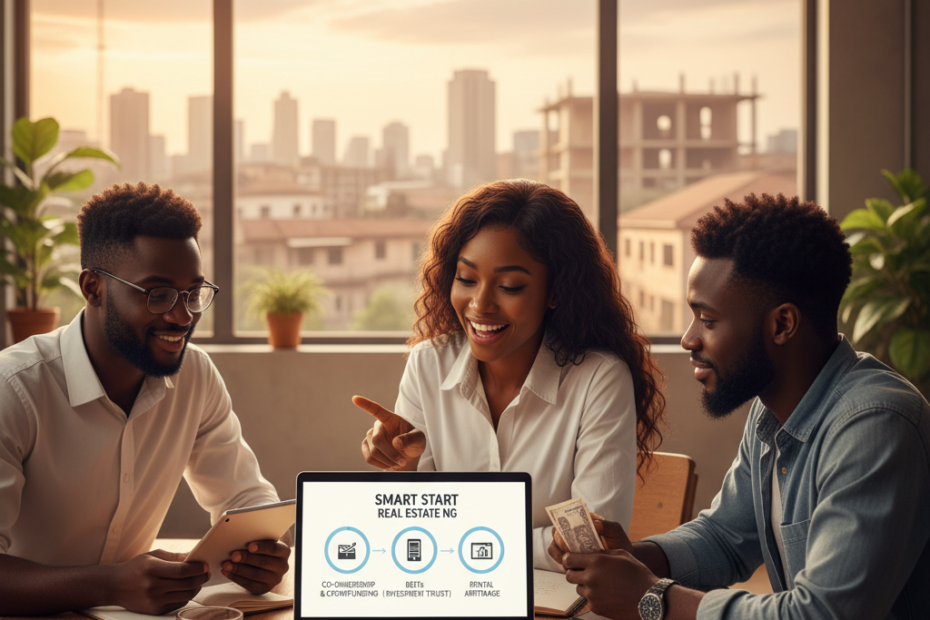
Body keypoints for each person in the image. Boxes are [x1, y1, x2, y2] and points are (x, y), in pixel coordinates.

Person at [548, 193, 930, 619]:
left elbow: (821, 614)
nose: (689, 340)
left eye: (707, 320)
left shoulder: (875, 427)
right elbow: (725, 536)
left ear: (782, 324)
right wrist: (635, 558)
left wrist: (652, 597)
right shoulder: (773, 411)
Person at [0, 183, 291, 616]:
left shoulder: (195, 375)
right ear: (93, 288)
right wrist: (109, 585)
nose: (183, 315)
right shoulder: (14, 389)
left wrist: (261, 556)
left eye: (193, 293)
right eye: (157, 294)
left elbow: (245, 502)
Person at [355, 179, 666, 570]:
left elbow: (589, 545)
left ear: (556, 292)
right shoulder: (428, 364)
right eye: (466, 279)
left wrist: (455, 542)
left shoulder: (598, 379)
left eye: (510, 286)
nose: (480, 304)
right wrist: (406, 468)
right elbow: (408, 539)